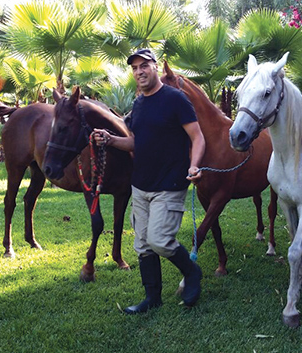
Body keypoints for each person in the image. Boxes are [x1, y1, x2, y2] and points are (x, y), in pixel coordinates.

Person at [93, 48, 206, 314]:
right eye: (134, 68)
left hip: (170, 183)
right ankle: (152, 298)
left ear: (155, 67)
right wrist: (110, 139)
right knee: (142, 244)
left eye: (144, 65)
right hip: (141, 184)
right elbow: (136, 142)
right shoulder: (139, 103)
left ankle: (192, 272)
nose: (139, 72)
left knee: (160, 240)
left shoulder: (175, 99)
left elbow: (197, 136)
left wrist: (194, 164)